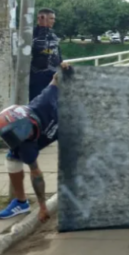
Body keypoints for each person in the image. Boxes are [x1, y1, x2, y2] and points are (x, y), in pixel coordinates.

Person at [0, 65, 71, 222]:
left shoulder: (44, 101)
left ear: (24, 128)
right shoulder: (25, 144)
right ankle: (21, 203)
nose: (12, 141)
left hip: (70, 122)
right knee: (12, 159)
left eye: (12, 136)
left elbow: (56, 79)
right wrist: (43, 207)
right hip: (44, 135)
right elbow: (36, 173)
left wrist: (63, 68)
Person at [30, 9, 67, 101]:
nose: (54, 21)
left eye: (54, 19)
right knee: (37, 102)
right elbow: (39, 49)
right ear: (41, 18)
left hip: (53, 75)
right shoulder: (31, 34)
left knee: (52, 102)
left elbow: (57, 53)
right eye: (51, 18)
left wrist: (61, 63)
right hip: (37, 77)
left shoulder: (53, 35)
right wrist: (42, 28)